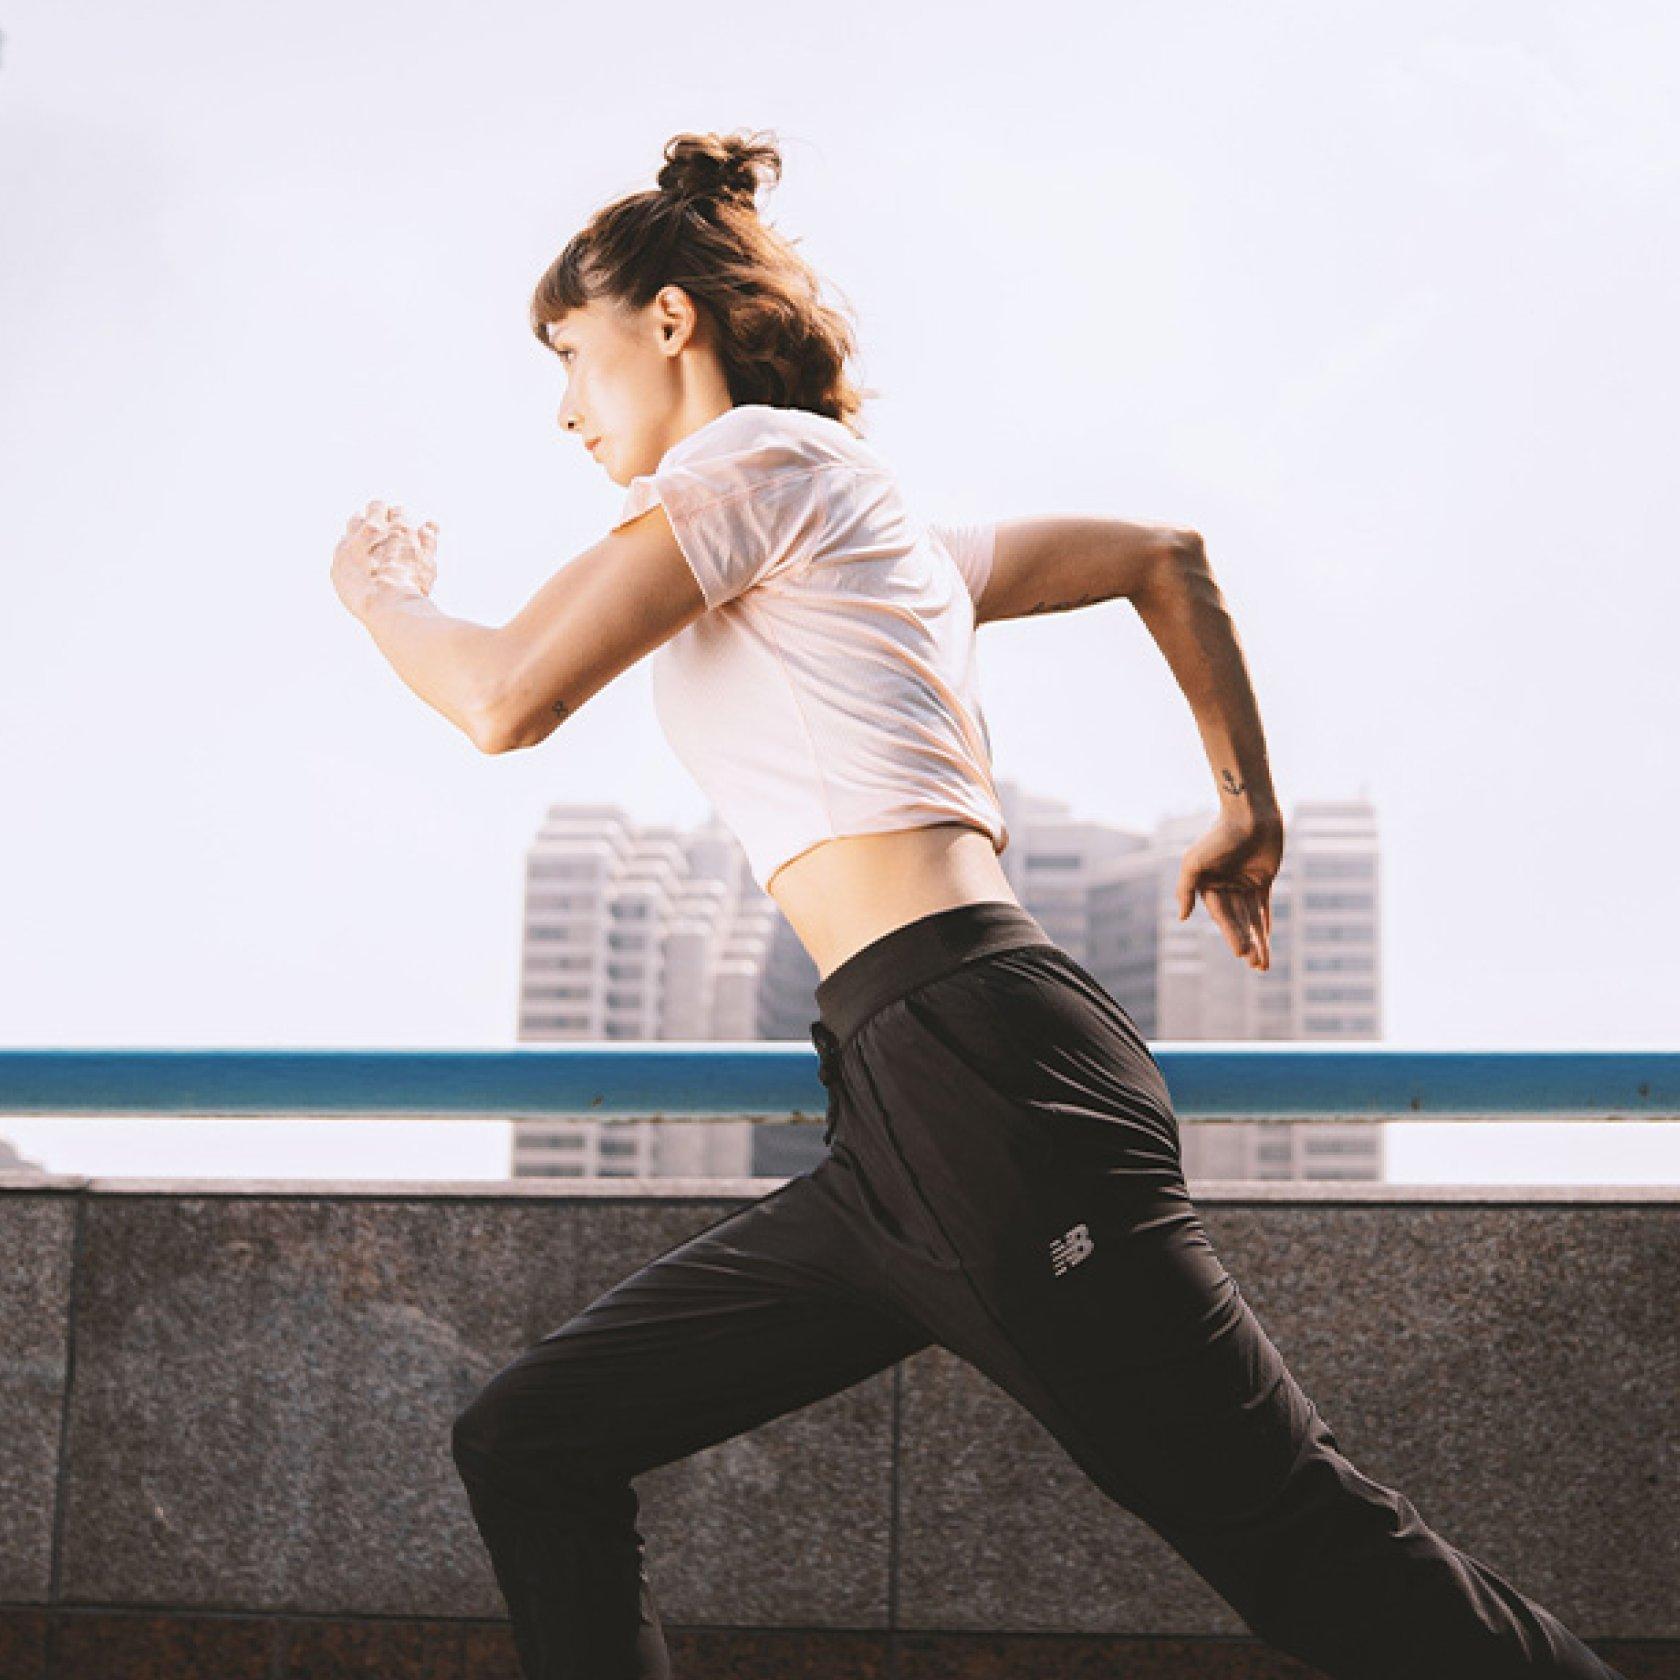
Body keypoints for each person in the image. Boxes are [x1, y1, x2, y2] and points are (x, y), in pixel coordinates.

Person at [331, 130, 1626, 1680]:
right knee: (533, 1438)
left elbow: (503, 700)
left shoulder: (755, 464)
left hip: (985, 1083)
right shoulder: (868, 528)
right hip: (904, 1112)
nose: (561, 406)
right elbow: (1164, 555)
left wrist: (380, 596)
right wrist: (1244, 806)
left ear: (667, 322)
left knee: (1298, 1537)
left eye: (569, 354)